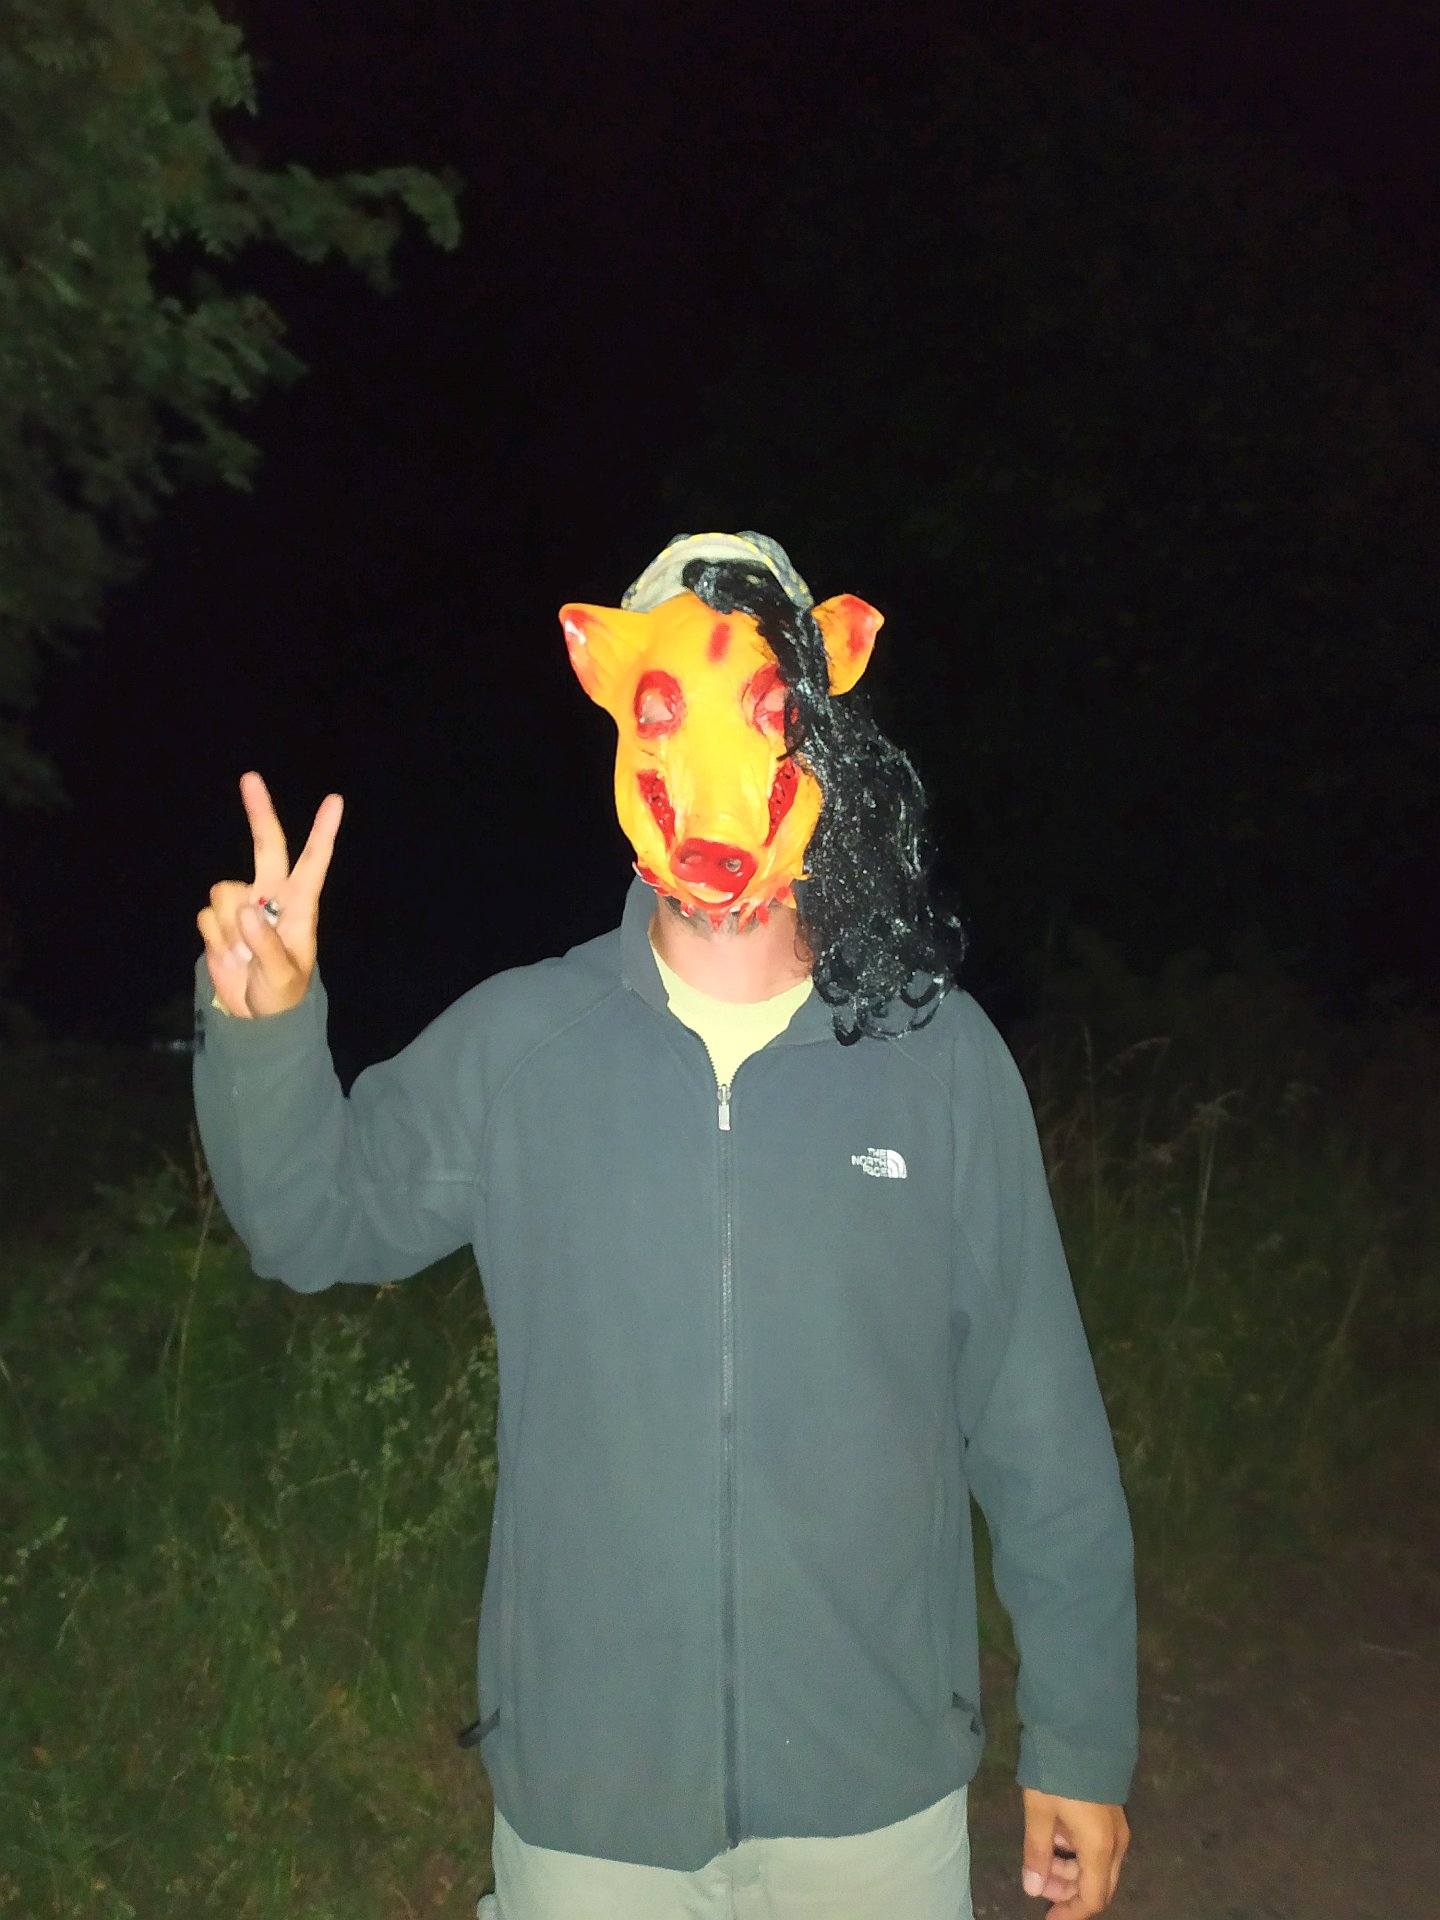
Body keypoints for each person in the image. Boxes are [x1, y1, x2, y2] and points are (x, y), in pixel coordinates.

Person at [193, 531, 1136, 1920]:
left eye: (761, 710)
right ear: (615, 713)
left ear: (820, 727)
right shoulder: (525, 1046)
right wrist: (264, 1029)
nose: (713, 763)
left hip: (876, 1801)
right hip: (593, 1815)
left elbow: (1037, 1418)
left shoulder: (937, 1060)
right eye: (665, 714)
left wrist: (1081, 1740)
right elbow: (307, 1221)